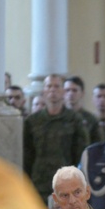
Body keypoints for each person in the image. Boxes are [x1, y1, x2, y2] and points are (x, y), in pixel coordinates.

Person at [24, 74, 89, 202]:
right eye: (49, 86)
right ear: (44, 91)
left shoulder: (74, 119)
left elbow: (81, 153)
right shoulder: (32, 121)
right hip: (39, 182)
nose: (53, 90)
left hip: (66, 183)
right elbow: (27, 154)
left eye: (56, 86)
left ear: (63, 91)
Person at [65, 76, 104, 144]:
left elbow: (98, 145)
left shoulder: (91, 119)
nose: (70, 93)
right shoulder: (58, 117)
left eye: (75, 90)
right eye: (67, 90)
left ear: (82, 93)